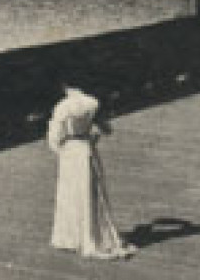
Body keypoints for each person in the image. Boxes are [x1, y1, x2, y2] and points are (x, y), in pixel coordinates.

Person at [47, 83, 135, 260]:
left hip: (70, 151)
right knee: (90, 191)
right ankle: (93, 235)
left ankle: (71, 237)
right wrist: (93, 138)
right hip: (87, 147)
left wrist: (59, 149)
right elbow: (106, 128)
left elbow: (54, 137)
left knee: (70, 193)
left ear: (66, 87)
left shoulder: (62, 106)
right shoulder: (92, 103)